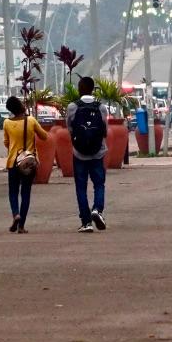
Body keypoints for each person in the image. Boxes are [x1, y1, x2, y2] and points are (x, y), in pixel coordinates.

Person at [67, 76, 110, 233]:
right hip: (98, 153)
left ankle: (86, 222)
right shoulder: (101, 108)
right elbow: (105, 130)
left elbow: (70, 128)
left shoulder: (73, 107)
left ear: (81, 88)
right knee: (99, 184)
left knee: (81, 187)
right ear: (92, 89)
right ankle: (97, 210)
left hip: (79, 153)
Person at [2, 96, 48, 234]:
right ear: (20, 105)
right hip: (29, 163)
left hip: (13, 162)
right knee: (26, 192)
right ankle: (21, 226)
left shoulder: (7, 123)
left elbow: (6, 142)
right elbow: (44, 136)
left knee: (13, 192)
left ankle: (16, 214)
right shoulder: (31, 121)